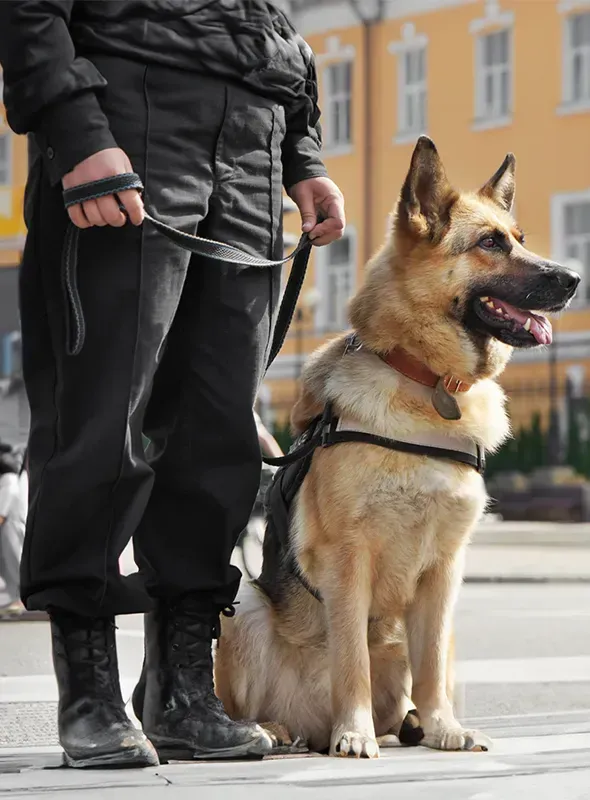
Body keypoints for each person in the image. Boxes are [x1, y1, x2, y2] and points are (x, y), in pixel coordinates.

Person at [0, 1, 345, 769]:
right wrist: (80, 133)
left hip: (251, 152)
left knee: (217, 432)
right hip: (129, 119)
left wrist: (302, 156)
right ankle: (89, 691)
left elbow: (271, 27)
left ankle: (184, 691)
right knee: (102, 419)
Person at [0, 450, 27, 617]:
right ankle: (15, 596)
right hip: (8, 524)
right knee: (6, 562)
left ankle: (21, 597)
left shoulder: (8, 480)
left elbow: (3, 512)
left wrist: (2, 517)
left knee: (14, 559)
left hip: (11, 524)